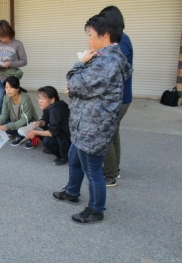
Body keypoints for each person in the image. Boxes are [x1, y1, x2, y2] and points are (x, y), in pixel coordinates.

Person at [52, 13, 133, 224]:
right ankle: (71, 192)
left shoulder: (106, 62)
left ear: (104, 35)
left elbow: (76, 83)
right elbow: (85, 88)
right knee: (75, 158)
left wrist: (80, 63)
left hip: (94, 127)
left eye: (90, 34)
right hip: (85, 125)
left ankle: (96, 209)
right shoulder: (105, 57)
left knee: (93, 171)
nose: (88, 39)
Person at [100, 6, 134, 186]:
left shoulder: (122, 41)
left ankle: (110, 175)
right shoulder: (117, 41)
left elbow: (118, 71)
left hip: (118, 99)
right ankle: (114, 170)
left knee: (106, 135)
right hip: (117, 98)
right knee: (113, 134)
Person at [0, 20, 27, 120]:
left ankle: (11, 129)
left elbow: (24, 61)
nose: (1, 38)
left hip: (11, 80)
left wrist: (10, 64)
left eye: (3, 36)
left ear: (9, 32)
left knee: (11, 106)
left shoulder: (18, 44)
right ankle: (0, 130)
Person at [25, 86, 71, 165]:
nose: (40, 101)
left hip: (66, 137)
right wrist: (39, 123)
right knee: (39, 133)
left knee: (46, 140)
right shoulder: (49, 107)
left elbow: (53, 132)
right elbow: (45, 120)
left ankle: (63, 156)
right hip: (59, 132)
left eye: (43, 98)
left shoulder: (55, 110)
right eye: (39, 98)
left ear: (52, 99)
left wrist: (34, 132)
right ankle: (55, 148)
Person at [0, 76, 38, 149]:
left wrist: (8, 126)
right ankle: (19, 136)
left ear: (17, 88)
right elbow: (4, 114)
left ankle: (29, 137)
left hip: (28, 122)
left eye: (11, 87)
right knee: (2, 125)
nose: (8, 90)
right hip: (16, 122)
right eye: (6, 87)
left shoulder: (25, 99)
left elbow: (25, 119)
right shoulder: (6, 97)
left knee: (9, 126)